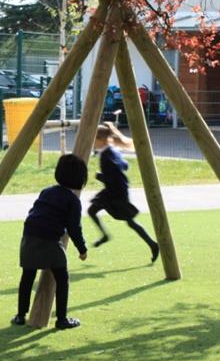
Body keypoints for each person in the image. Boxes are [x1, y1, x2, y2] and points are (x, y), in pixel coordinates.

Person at [12, 153, 88, 330]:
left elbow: (36, 212)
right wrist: (82, 249)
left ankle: (20, 315)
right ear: (80, 178)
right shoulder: (73, 201)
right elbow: (74, 228)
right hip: (50, 241)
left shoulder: (46, 191)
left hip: (29, 237)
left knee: (27, 276)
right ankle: (61, 319)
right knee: (62, 278)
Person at [88, 122, 159, 263]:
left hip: (116, 193)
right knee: (94, 211)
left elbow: (113, 176)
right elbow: (125, 166)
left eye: (94, 140)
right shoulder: (112, 151)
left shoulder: (107, 155)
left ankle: (153, 244)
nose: (93, 143)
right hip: (114, 190)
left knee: (129, 221)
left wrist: (99, 176)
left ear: (101, 139)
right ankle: (106, 235)